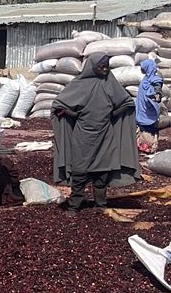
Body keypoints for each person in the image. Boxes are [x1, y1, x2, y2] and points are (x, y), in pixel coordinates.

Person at [52, 53, 140, 213]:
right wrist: (70, 113)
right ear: (92, 66)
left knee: (102, 173)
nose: (105, 69)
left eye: (107, 66)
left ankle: (100, 205)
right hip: (82, 136)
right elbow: (59, 103)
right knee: (79, 171)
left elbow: (126, 101)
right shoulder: (79, 84)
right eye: (101, 66)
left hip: (105, 135)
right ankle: (75, 205)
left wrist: (113, 113)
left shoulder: (110, 83)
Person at [137, 58, 163, 153]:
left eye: (143, 68)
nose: (142, 70)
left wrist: (157, 94)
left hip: (149, 107)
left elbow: (158, 86)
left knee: (149, 126)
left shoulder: (155, 77)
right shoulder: (146, 78)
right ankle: (144, 144)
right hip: (142, 106)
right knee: (142, 126)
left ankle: (151, 146)